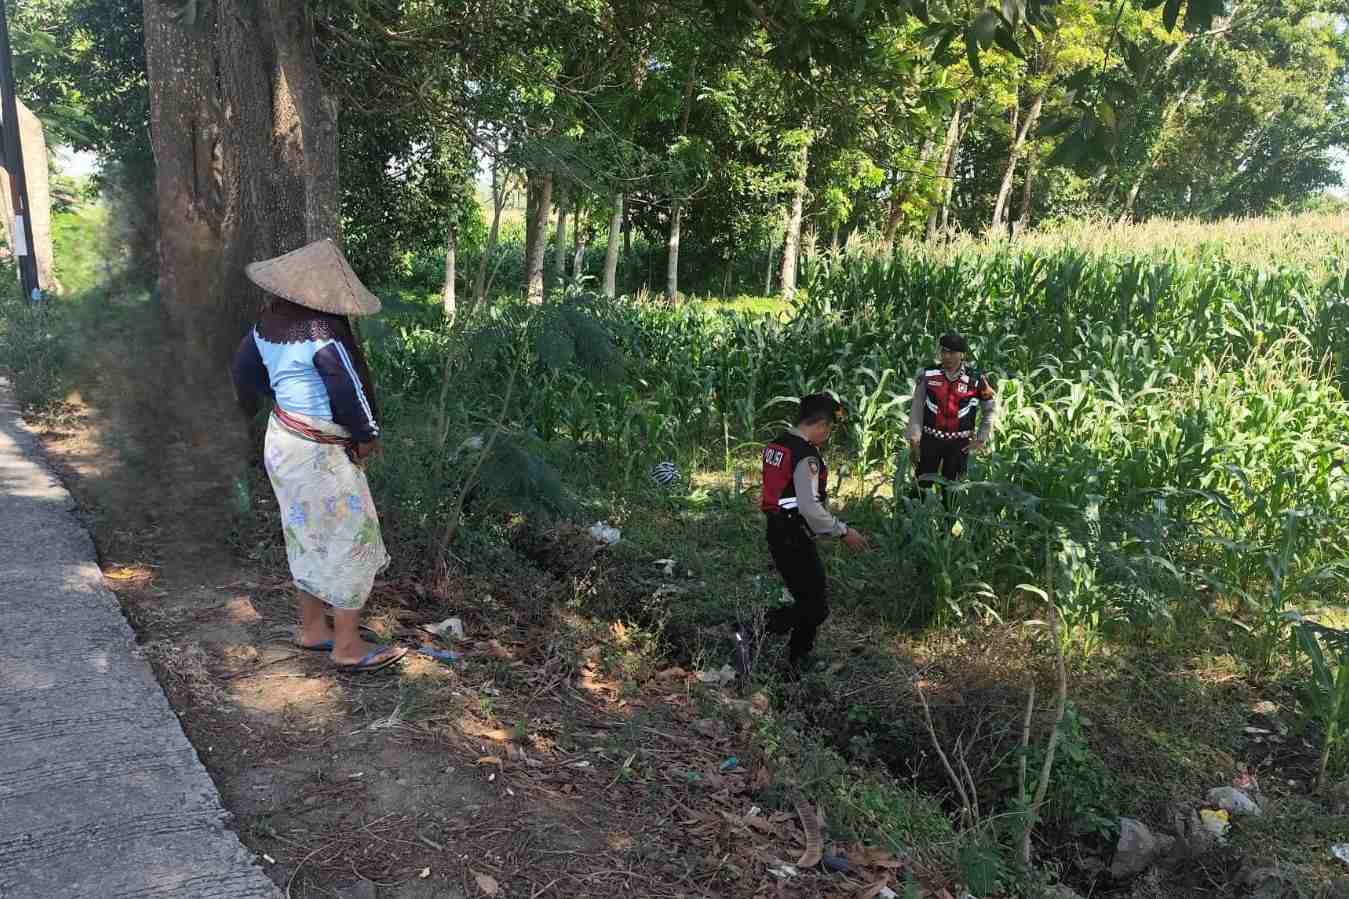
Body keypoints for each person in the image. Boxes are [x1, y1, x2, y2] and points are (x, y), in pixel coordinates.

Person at [231, 238, 407, 674]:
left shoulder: (264, 327)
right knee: (352, 538)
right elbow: (347, 389)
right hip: (319, 452)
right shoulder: (324, 333)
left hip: (283, 441)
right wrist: (367, 436)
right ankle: (346, 644)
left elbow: (242, 373)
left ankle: (313, 628)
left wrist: (283, 400)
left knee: (305, 532)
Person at [737, 393, 868, 679]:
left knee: (807, 600)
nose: (828, 435)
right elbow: (809, 507)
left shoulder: (778, 444)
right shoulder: (806, 455)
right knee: (816, 607)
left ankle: (795, 660)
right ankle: (753, 632)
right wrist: (843, 531)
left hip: (778, 528)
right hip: (792, 533)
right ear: (820, 424)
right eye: (829, 428)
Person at [906, 332, 996, 494]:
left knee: (952, 492)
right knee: (920, 488)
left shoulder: (976, 379)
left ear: (962, 355)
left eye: (952, 353)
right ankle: (912, 518)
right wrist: (914, 438)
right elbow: (917, 406)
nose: (947, 357)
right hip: (930, 441)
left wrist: (981, 439)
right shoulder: (928, 375)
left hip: (959, 445)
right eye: (944, 352)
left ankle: (948, 519)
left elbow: (989, 409)